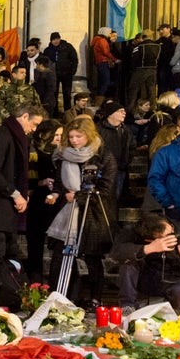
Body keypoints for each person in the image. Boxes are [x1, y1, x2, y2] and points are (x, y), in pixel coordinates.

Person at [0, 103, 45, 294]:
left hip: (6, 208)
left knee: (8, 252)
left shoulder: (14, 137)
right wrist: (16, 194)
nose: (34, 129)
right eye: (34, 124)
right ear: (24, 117)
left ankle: (7, 295)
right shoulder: (1, 136)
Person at [46, 117, 117, 305]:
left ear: (89, 135)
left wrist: (78, 197)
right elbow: (61, 185)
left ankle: (95, 298)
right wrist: (56, 194)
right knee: (62, 256)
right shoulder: (63, 156)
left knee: (92, 259)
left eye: (79, 136)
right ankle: (65, 296)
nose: (74, 141)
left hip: (93, 214)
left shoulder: (103, 155)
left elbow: (106, 188)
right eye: (71, 137)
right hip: (68, 213)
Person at [112, 213, 180, 312]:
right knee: (128, 263)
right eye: (167, 236)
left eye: (172, 231)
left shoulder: (178, 228)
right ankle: (127, 306)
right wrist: (147, 248)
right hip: (146, 277)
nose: (173, 235)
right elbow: (116, 252)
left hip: (173, 280)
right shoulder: (134, 231)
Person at [25, 120, 64, 283]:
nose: (58, 139)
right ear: (42, 135)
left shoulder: (62, 153)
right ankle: (35, 283)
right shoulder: (32, 152)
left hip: (56, 203)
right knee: (35, 245)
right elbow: (24, 178)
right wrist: (40, 182)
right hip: (37, 202)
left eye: (61, 135)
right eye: (55, 135)